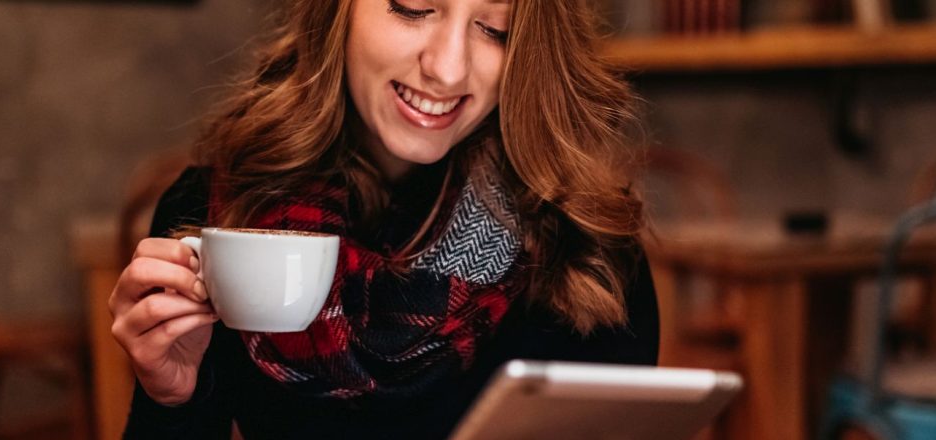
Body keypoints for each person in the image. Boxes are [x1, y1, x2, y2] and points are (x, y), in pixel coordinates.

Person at [109, 0, 659, 438]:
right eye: (413, 8)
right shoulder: (219, 215)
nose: (447, 69)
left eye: (496, 29)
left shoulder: (583, 248)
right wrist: (172, 401)